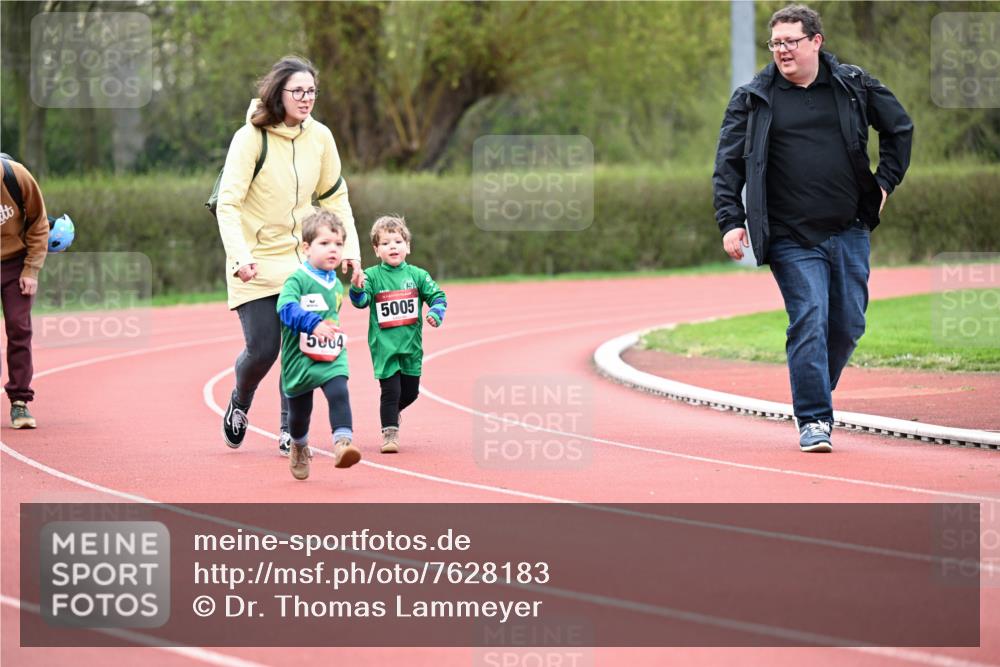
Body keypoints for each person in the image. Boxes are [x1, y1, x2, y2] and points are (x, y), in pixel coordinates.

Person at [712, 4, 912, 452]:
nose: (782, 50)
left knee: (848, 326)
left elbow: (900, 129)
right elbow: (727, 165)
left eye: (791, 41)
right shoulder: (753, 97)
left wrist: (884, 185)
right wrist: (730, 220)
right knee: (810, 318)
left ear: (816, 41)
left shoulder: (853, 85)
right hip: (789, 236)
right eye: (776, 42)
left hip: (849, 228)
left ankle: (814, 385)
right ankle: (815, 418)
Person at [216, 55, 364, 456]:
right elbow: (228, 204)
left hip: (301, 259)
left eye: (312, 91)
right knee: (263, 349)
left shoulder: (320, 137)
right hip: (254, 260)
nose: (306, 98)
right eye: (297, 91)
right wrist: (239, 256)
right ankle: (240, 399)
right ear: (278, 93)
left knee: (300, 344)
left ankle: (288, 431)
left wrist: (348, 250)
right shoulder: (250, 138)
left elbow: (335, 196)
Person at [276, 210, 362, 480]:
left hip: (331, 354)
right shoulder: (297, 280)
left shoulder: (336, 283)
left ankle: (343, 444)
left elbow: (334, 314)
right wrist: (313, 324)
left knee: (339, 391)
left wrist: (358, 290)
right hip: (299, 358)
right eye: (324, 244)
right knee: (300, 414)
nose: (333, 250)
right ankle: (299, 445)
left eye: (338, 244)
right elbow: (284, 307)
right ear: (306, 248)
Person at [349, 215, 447, 454]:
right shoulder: (372, 276)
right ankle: (389, 432)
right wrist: (356, 287)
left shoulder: (418, 276)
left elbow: (439, 297)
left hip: (412, 347)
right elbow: (361, 302)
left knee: (411, 392)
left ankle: (392, 412)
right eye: (385, 243)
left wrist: (435, 312)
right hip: (385, 347)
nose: (392, 246)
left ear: (408, 246)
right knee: (390, 391)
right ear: (376, 250)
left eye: (397, 241)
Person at [1, 154, 48, 429]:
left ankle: (19, 402)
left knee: (19, 328)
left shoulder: (16, 176)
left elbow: (39, 222)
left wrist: (31, 269)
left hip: (15, 263)